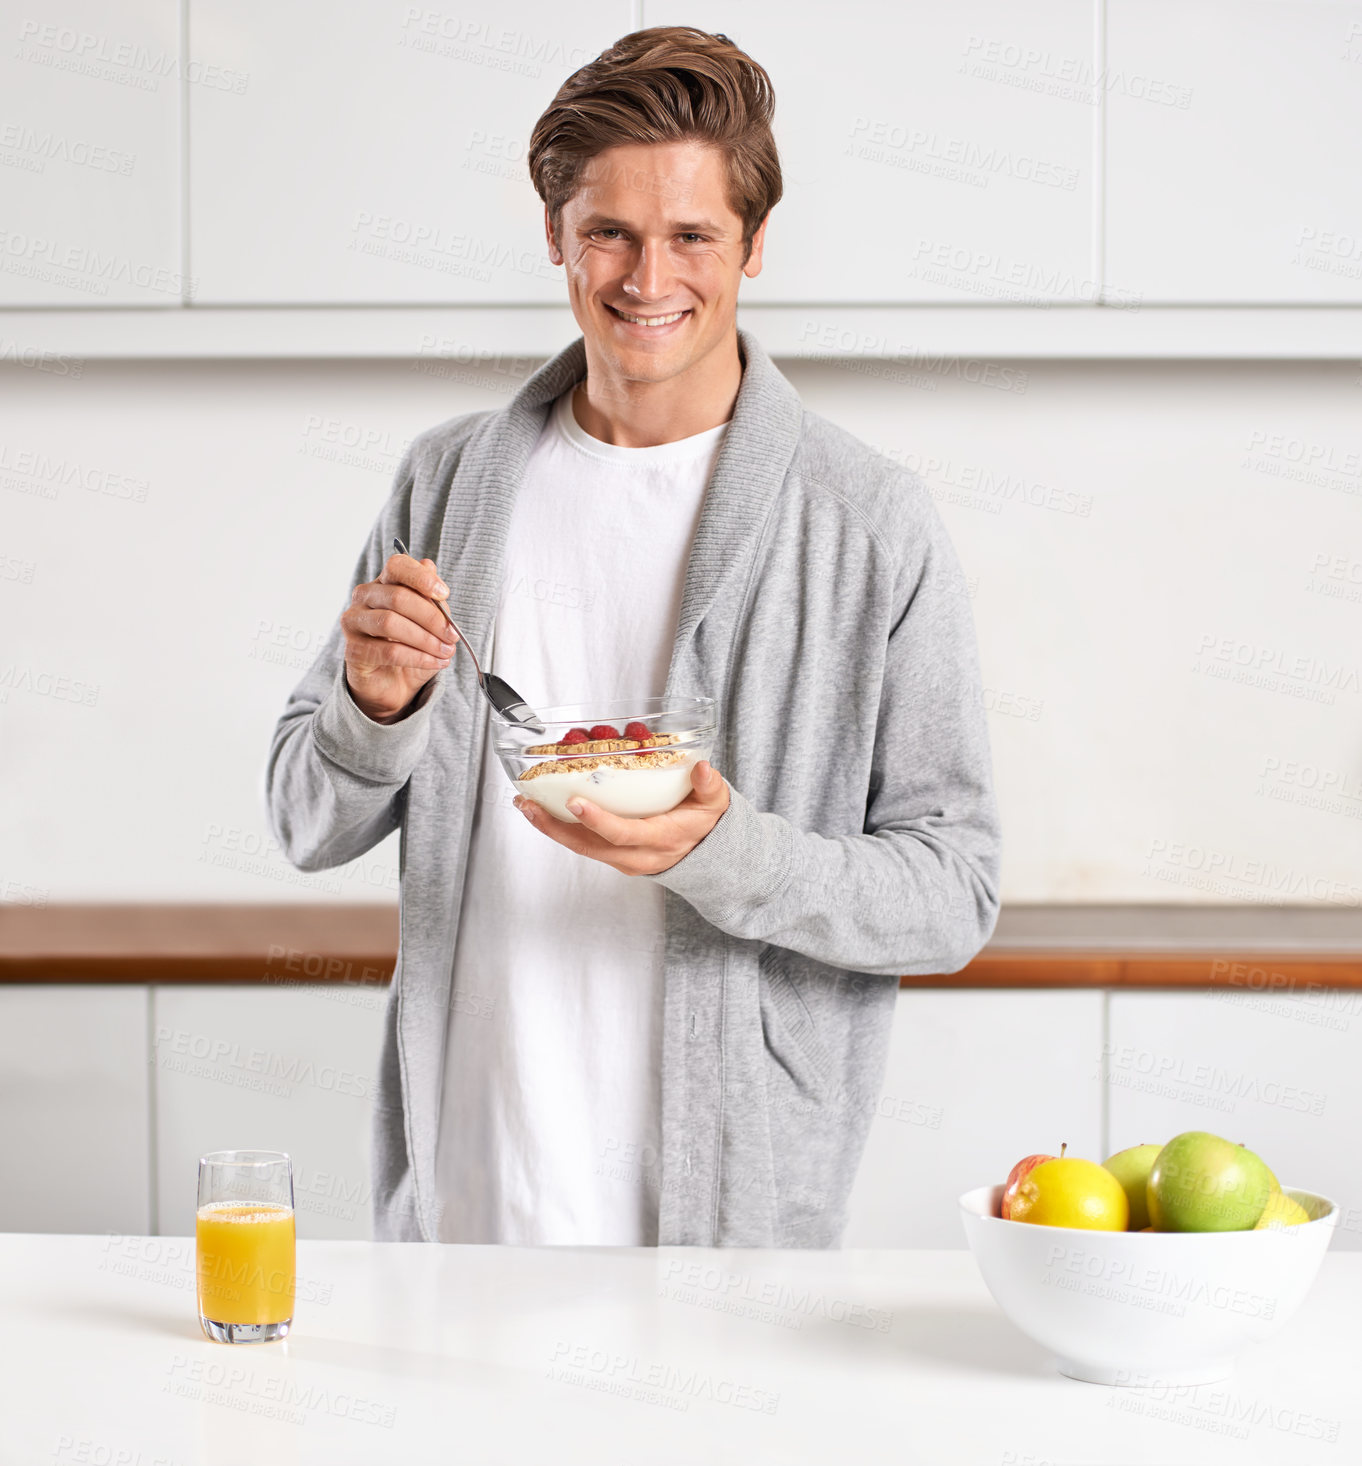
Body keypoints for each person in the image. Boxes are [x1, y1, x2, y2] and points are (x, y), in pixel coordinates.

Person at [266, 25, 1001, 1248]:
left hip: (726, 1222)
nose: (645, 274)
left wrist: (732, 848)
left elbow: (953, 892)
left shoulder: (869, 521)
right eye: (607, 229)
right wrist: (374, 705)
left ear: (755, 246)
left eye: (692, 235)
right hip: (466, 1206)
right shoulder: (448, 485)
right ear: (554, 236)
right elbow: (304, 819)